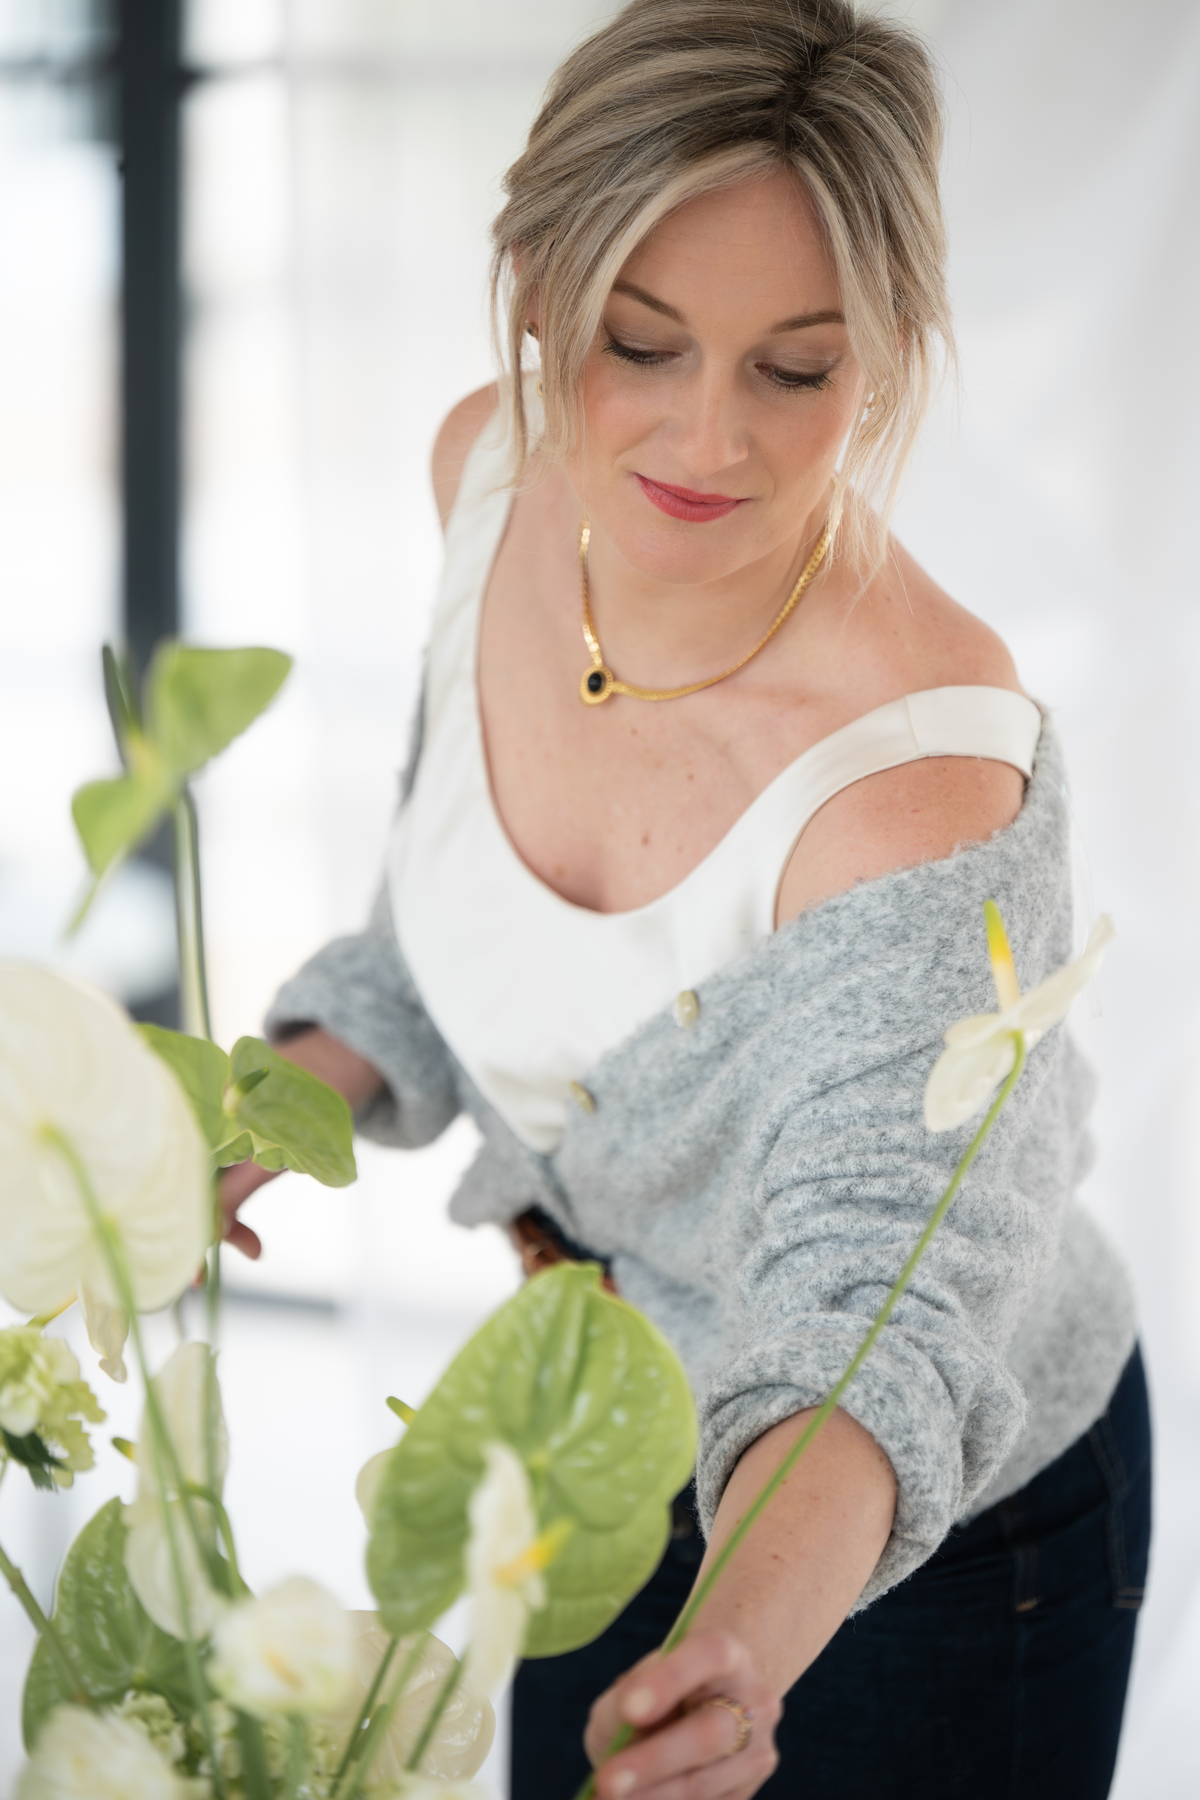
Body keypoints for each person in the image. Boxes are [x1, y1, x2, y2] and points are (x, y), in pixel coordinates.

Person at [222, 3, 1149, 1795]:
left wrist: (734, 1647)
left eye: (795, 371)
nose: (703, 440)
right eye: (641, 343)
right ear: (538, 276)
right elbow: (454, 917)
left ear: (882, 352)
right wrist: (269, 1112)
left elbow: (874, 1303)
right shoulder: (494, 478)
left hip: (919, 1529)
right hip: (601, 1430)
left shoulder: (921, 774)